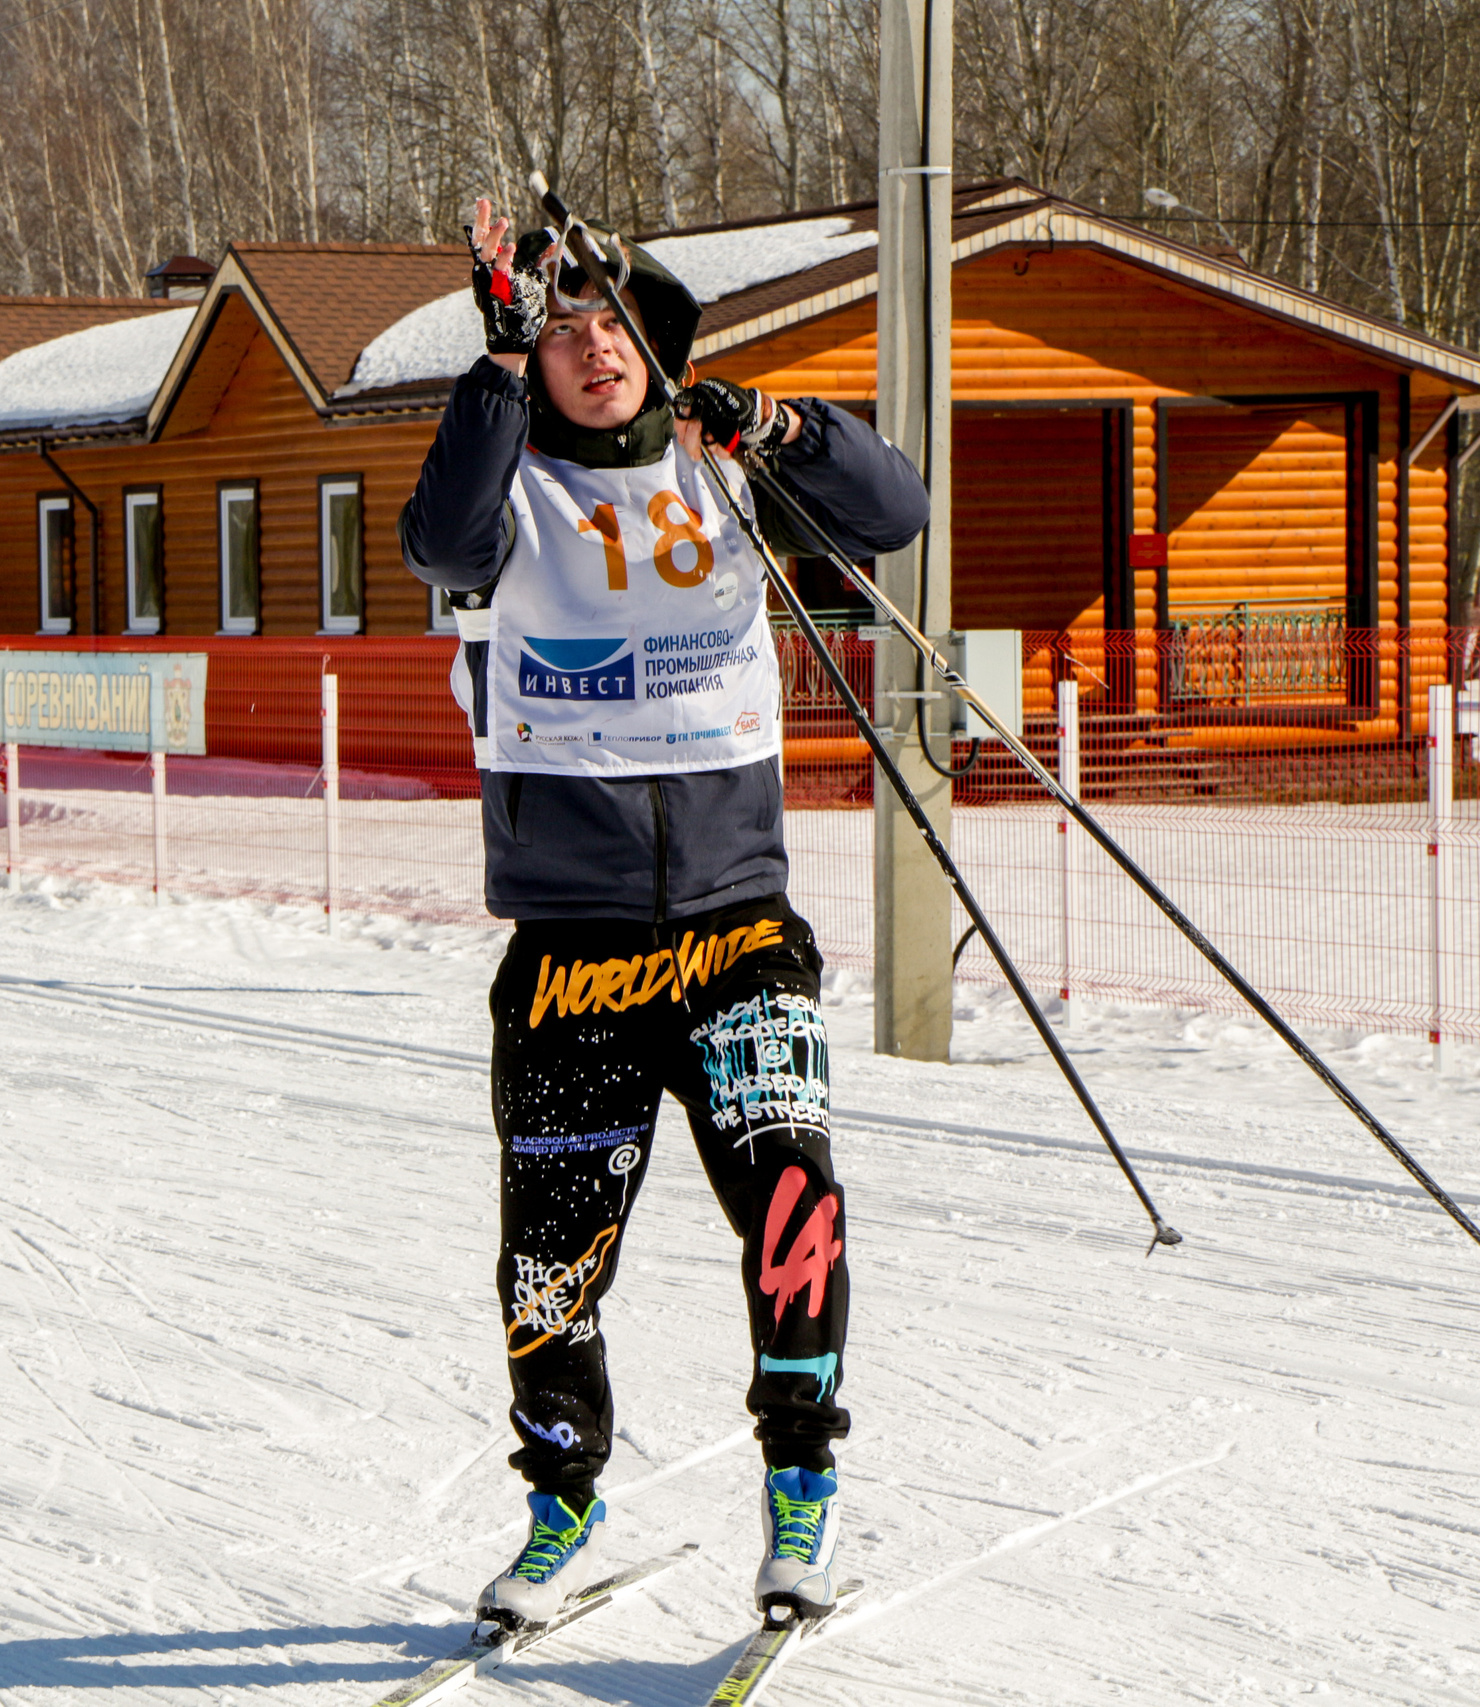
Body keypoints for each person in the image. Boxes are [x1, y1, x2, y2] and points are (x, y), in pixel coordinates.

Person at [400, 199, 928, 1626]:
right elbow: (433, 536)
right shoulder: (504, 497)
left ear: (658, 344)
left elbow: (899, 512)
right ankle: (561, 1499)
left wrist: (782, 427)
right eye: (560, 332)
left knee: (794, 1210)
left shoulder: (726, 474)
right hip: (572, 951)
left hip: (736, 926)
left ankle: (801, 1496)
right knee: (549, 1261)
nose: (590, 351)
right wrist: (494, 368)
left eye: (610, 327)